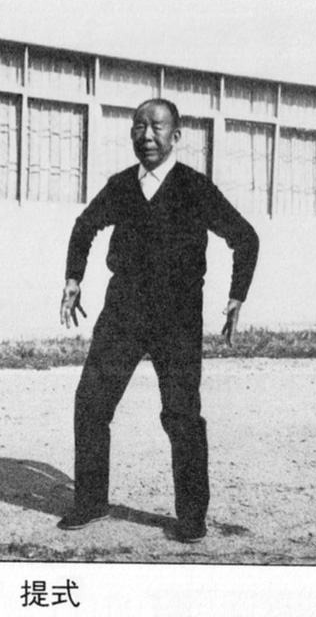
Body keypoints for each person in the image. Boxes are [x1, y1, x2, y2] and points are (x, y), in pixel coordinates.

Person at [58, 98, 259, 542]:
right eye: (138, 127)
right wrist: (73, 279)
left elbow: (245, 238)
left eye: (157, 127)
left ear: (176, 135)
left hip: (177, 317)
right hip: (123, 312)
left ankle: (192, 516)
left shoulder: (194, 187)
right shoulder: (121, 186)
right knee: (91, 403)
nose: (146, 135)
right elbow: (84, 226)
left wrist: (236, 296)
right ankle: (90, 501)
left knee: (182, 415)